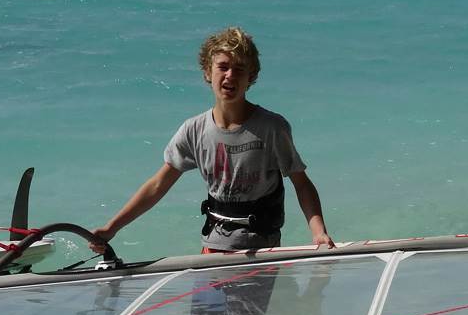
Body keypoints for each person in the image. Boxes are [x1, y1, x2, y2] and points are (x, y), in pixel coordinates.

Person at [92, 27, 333, 255]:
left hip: (263, 250)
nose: (230, 75)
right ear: (208, 72)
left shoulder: (272, 128)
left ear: (251, 76)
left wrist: (318, 232)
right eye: (223, 67)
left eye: (239, 69)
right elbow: (157, 186)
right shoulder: (194, 130)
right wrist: (112, 228)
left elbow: (302, 183)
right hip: (213, 249)